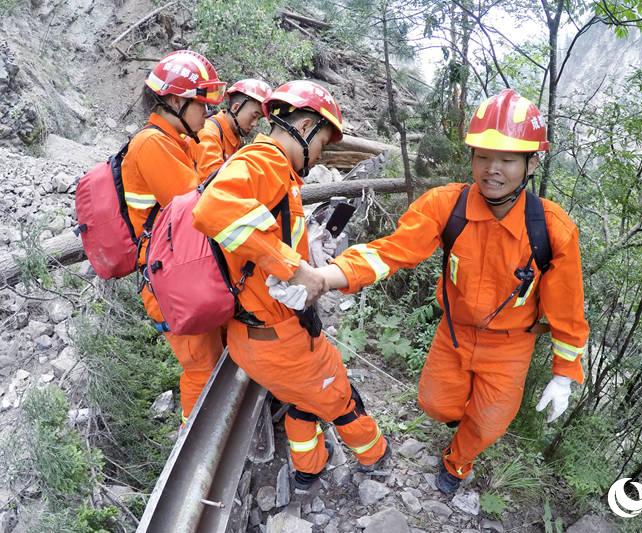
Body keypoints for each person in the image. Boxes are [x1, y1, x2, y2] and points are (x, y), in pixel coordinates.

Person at [285, 89, 589, 494]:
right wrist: (327, 276)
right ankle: (461, 420)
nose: (492, 169)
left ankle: (457, 462)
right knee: (434, 404)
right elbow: (392, 252)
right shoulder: (447, 206)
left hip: (511, 347)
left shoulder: (551, 229)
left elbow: (567, 309)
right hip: (455, 332)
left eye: (507, 159)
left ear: (531, 163)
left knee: (489, 423)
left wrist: (564, 375)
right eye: (483, 156)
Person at [191, 80, 390, 491]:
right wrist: (294, 269)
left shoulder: (277, 174)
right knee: (338, 397)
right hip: (279, 339)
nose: (319, 158)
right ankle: (376, 458)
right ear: (305, 125)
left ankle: (308, 470)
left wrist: (308, 252)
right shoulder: (265, 161)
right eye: (321, 145)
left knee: (303, 399)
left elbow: (262, 239)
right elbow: (212, 207)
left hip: (258, 334)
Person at [122, 50, 228, 423]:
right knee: (201, 367)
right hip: (169, 279)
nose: (208, 113)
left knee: (215, 356)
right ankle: (195, 444)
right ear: (176, 101)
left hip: (181, 267)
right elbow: (199, 206)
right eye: (202, 105)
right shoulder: (151, 144)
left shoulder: (178, 140)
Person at [190, 79, 272, 180]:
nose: (254, 124)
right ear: (235, 108)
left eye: (258, 119)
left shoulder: (235, 137)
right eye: (254, 116)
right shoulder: (209, 133)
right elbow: (214, 183)